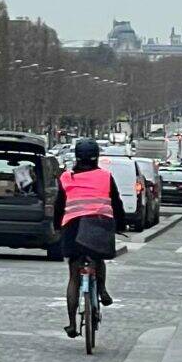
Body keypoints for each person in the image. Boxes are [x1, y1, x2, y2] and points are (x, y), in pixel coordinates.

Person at [54, 137, 127, 337]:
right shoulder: (105, 177)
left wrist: (57, 227)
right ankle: (102, 289)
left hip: (73, 227)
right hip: (99, 224)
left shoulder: (67, 177)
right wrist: (120, 224)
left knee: (73, 275)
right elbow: (116, 203)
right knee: (98, 259)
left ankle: (71, 324)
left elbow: (59, 206)